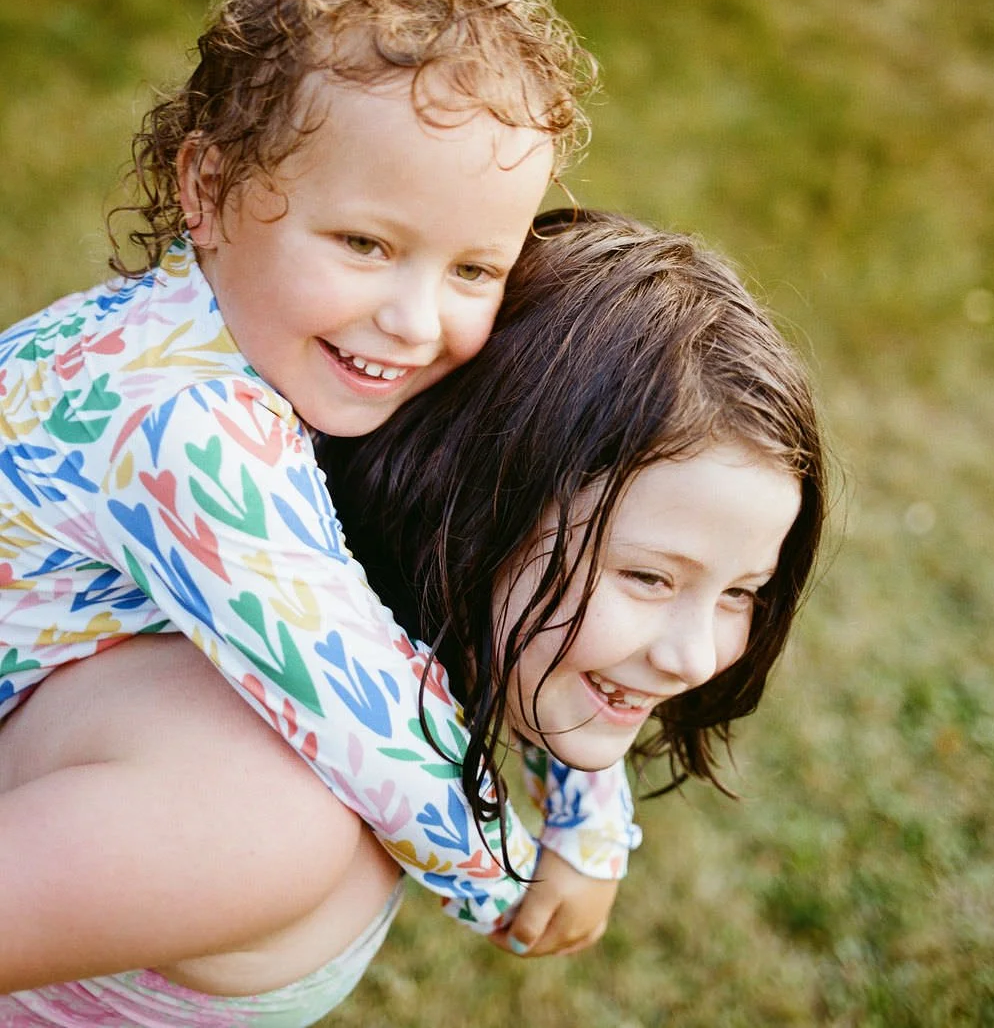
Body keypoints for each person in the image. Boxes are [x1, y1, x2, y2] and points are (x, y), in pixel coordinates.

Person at [0, 0, 638, 965]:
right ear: (207, 186)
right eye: (364, 243)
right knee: (287, 817)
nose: (414, 318)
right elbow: (355, 703)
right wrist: (517, 873)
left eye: (474, 267)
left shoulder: (301, 351)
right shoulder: (183, 421)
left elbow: (505, 572)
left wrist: (587, 802)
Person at [0, 210, 826, 1025]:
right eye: (648, 577)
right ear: (467, 500)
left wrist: (587, 820)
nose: (690, 655)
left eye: (739, 591)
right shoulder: (258, 795)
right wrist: (509, 885)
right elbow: (380, 731)